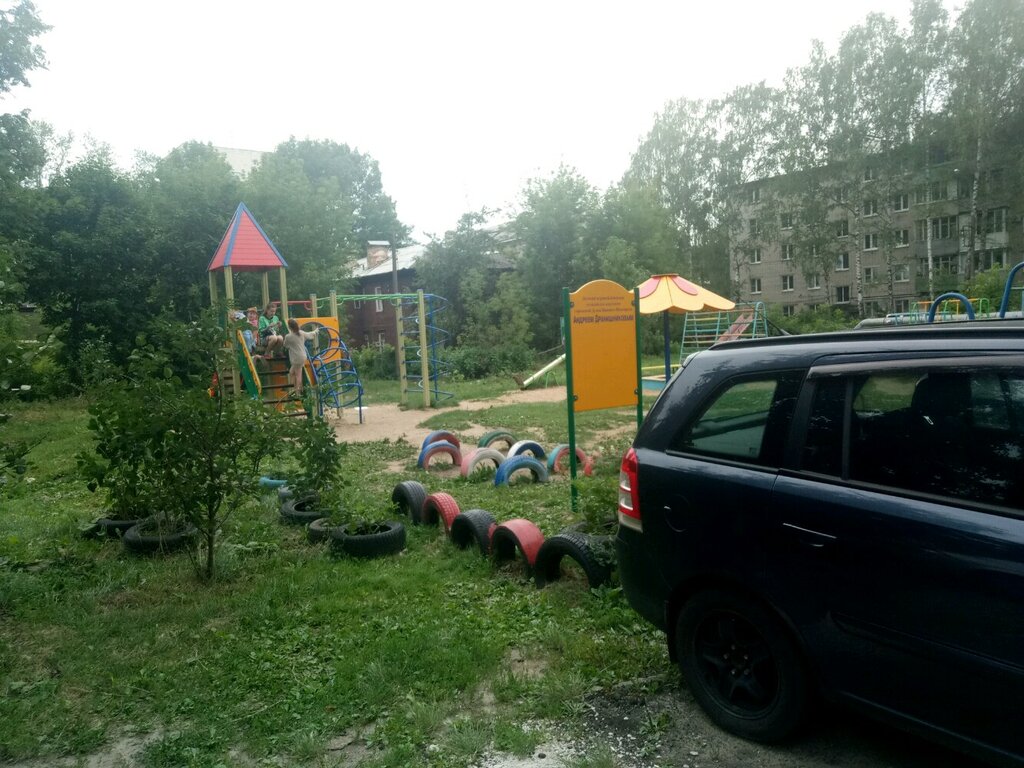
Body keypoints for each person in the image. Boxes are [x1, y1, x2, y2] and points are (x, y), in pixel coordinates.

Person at [283, 317, 316, 396]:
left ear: (289, 327)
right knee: (291, 372)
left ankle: (297, 392)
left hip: (296, 358)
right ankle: (294, 390)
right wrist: (315, 331)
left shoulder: (288, 336)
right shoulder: (301, 333)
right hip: (302, 356)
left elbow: (285, 345)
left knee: (298, 374)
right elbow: (310, 335)